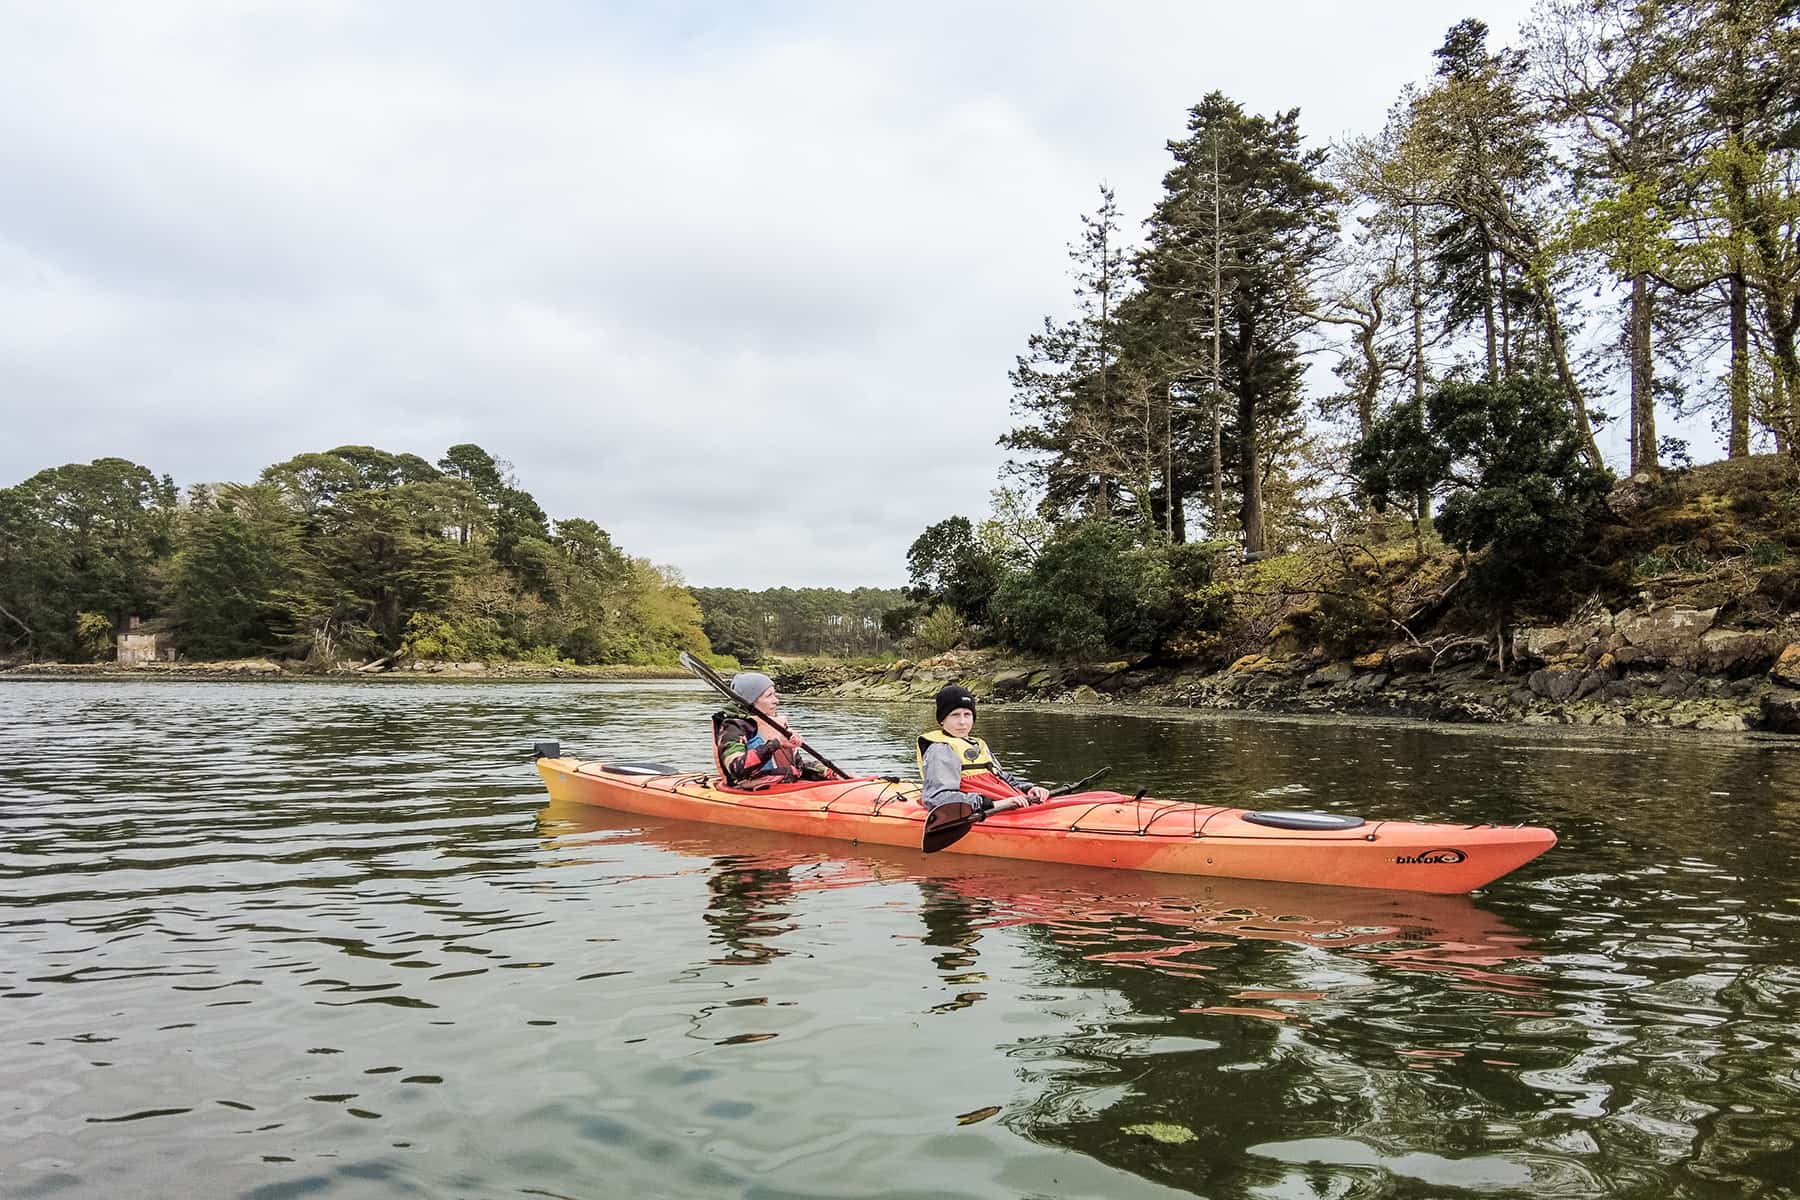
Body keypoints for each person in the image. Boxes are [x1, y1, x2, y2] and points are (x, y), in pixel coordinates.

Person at [916, 684, 1050, 813]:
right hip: (989, 808)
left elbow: (1001, 777)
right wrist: (993, 804)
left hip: (1004, 802)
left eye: (967, 714)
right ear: (942, 720)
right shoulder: (940, 749)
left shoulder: (978, 744)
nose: (962, 722)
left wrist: (1028, 788)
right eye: (955, 715)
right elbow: (937, 798)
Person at [713, 671, 824, 787]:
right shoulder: (733, 728)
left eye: (774, 695)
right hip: (749, 791)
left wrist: (824, 771)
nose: (776, 701)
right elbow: (737, 769)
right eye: (769, 695)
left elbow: (798, 766)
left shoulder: (775, 724)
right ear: (751, 701)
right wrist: (775, 744)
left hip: (781, 787)